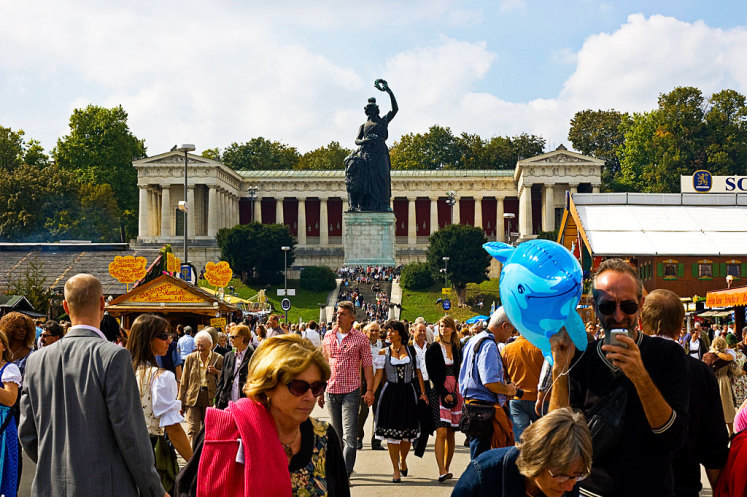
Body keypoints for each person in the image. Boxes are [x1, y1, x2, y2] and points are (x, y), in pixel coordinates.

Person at [549, 258, 688, 497]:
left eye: (628, 306)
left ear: (641, 304)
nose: (619, 315)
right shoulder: (582, 358)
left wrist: (640, 376)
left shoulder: (669, 355)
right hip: (592, 492)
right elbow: (557, 439)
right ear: (594, 306)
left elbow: (673, 436)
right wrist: (558, 370)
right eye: (607, 307)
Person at [19, 273, 166, 497]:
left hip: (51, 485)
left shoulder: (36, 360)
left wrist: (55, 464)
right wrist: (154, 489)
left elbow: (27, 433)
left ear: (66, 307)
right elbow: (130, 434)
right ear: (102, 303)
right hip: (106, 486)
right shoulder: (114, 356)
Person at [174, 335, 350, 496]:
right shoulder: (225, 432)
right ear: (268, 386)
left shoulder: (324, 437)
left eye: (317, 387)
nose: (310, 397)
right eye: (299, 387)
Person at [640, 289, 728, 497]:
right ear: (681, 327)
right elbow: (714, 448)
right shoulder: (700, 373)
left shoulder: (623, 365)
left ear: (641, 323)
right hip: (682, 486)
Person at [453, 407, 591, 497]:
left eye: (576, 476)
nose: (568, 487)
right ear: (536, 459)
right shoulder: (487, 472)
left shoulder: (569, 475)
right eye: (561, 476)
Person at [127, 314, 193, 494]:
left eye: (170, 335)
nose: (169, 340)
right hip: (152, 452)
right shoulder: (161, 377)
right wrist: (195, 463)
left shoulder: (123, 371)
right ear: (148, 339)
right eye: (164, 335)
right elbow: (173, 428)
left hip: (124, 453)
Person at [320, 301, 374, 476]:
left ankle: (345, 473)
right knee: (336, 436)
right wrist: (320, 390)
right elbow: (323, 364)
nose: (338, 316)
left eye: (342, 314)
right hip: (331, 390)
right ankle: (338, 470)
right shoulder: (328, 335)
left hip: (351, 391)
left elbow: (367, 366)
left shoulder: (360, 338)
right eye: (337, 313)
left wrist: (370, 390)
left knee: (349, 436)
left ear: (352, 318)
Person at [372, 320, 427, 483]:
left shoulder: (411, 351)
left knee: (406, 434)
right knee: (392, 434)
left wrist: (423, 393)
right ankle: (395, 469)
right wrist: (371, 393)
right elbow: (378, 375)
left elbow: (418, 373)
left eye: (393, 330)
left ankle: (403, 459)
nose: (389, 333)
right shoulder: (383, 352)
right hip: (391, 394)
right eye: (388, 330)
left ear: (400, 334)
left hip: (409, 393)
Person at [458, 307, 517, 460]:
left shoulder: (474, 340)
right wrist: (508, 389)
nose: (512, 334)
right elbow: (490, 383)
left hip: (472, 406)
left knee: (478, 457)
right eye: (512, 329)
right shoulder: (489, 345)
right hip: (484, 410)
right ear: (504, 326)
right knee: (482, 461)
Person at [345, 79, 398, 212]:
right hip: (366, 155)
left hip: (380, 153)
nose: (371, 111)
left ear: (377, 110)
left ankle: (384, 204)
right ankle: (364, 205)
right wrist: (365, 141)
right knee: (365, 182)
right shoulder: (363, 126)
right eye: (369, 109)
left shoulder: (383, 121)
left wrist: (389, 91)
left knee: (383, 176)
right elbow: (357, 140)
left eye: (373, 109)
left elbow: (395, 109)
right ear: (367, 111)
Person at [425, 315, 463, 483]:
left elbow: (459, 369)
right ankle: (441, 470)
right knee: (441, 430)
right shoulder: (433, 348)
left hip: (455, 389)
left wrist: (455, 391)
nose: (443, 329)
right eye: (441, 326)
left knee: (451, 432)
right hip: (439, 391)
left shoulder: (456, 347)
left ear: (452, 329)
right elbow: (431, 373)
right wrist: (443, 392)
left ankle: (447, 467)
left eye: (447, 326)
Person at [178, 330, 224, 445]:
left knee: (208, 429)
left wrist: (216, 372)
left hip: (210, 397)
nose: (199, 348)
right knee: (192, 429)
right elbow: (184, 382)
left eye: (202, 345)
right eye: (197, 345)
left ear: (210, 345)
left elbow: (225, 379)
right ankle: (192, 459)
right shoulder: (190, 358)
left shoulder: (219, 358)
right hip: (193, 398)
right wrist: (180, 403)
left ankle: (204, 457)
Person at [502, 323, 546, 440]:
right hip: (541, 398)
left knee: (521, 439)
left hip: (517, 397)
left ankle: (523, 458)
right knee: (541, 438)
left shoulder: (508, 349)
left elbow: (502, 375)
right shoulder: (544, 348)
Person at [0, 330, 21, 496]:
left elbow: (10, 399)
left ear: (2, 345)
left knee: (4, 473)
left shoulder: (9, 368)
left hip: (2, 428)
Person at [357, 322, 384, 450]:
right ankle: (358, 437)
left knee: (379, 413)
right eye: (371, 331)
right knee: (362, 412)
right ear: (366, 333)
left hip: (379, 384)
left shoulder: (382, 346)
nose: (374, 333)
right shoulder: (361, 346)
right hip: (364, 383)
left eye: (376, 331)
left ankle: (376, 440)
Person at [703, 336, 737, 436]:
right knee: (727, 407)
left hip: (711, 383)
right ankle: (731, 432)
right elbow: (734, 370)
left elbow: (703, 370)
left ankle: (715, 433)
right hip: (724, 382)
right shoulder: (726, 357)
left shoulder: (706, 356)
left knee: (713, 407)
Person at [215, 324, 254, 409]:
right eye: (230, 337)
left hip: (246, 403)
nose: (230, 340)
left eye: (233, 337)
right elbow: (222, 380)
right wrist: (217, 401)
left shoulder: (254, 357)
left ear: (243, 338)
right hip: (228, 403)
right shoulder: (228, 356)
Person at [1, 312, 34, 379]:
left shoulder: (32, 355)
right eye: (17, 327)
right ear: (8, 328)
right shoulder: (2, 349)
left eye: (25, 328)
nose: (22, 330)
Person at [726, 333, 747, 407]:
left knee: (737, 404)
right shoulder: (741, 352)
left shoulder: (729, 353)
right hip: (743, 379)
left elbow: (732, 368)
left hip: (734, 379)